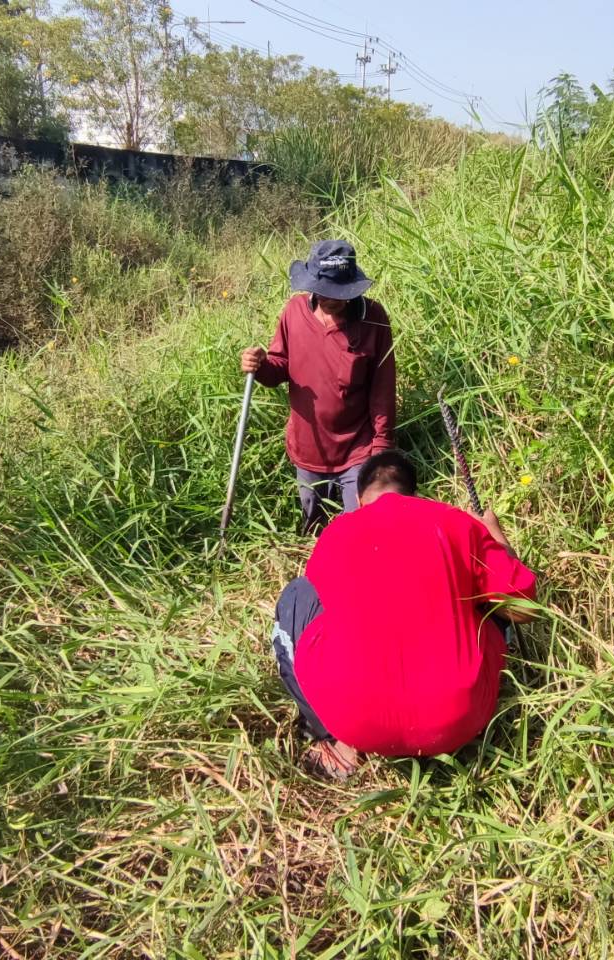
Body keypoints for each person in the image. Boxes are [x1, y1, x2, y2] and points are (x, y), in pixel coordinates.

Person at [270, 450, 538, 780]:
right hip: (459, 720)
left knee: (297, 595)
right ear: (414, 494)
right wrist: (496, 539)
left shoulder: (336, 533)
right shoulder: (456, 522)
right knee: (488, 596)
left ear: (357, 496)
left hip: (354, 720)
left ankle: (334, 741)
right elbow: (523, 607)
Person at [240, 239, 395, 534]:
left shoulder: (373, 319)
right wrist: (259, 366)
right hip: (308, 447)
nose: (327, 298)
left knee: (364, 530)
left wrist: (382, 447)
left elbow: (383, 389)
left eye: (337, 293)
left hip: (357, 449)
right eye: (321, 290)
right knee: (313, 524)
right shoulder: (294, 312)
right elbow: (279, 368)